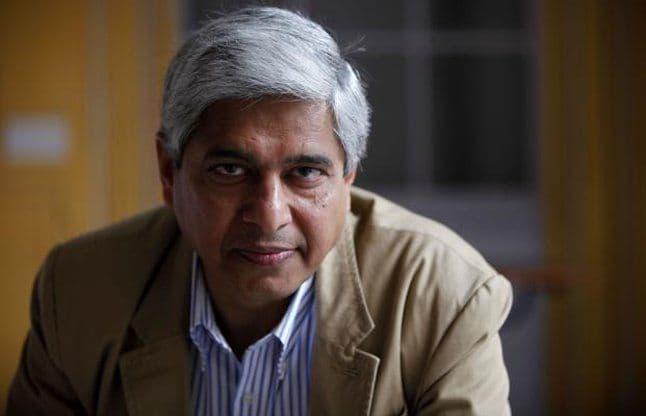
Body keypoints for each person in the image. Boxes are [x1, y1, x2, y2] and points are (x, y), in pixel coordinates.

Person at [7, 6, 512, 416]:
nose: (269, 217)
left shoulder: (444, 293)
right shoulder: (77, 290)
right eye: (230, 170)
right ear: (169, 172)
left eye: (305, 172)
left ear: (347, 178)